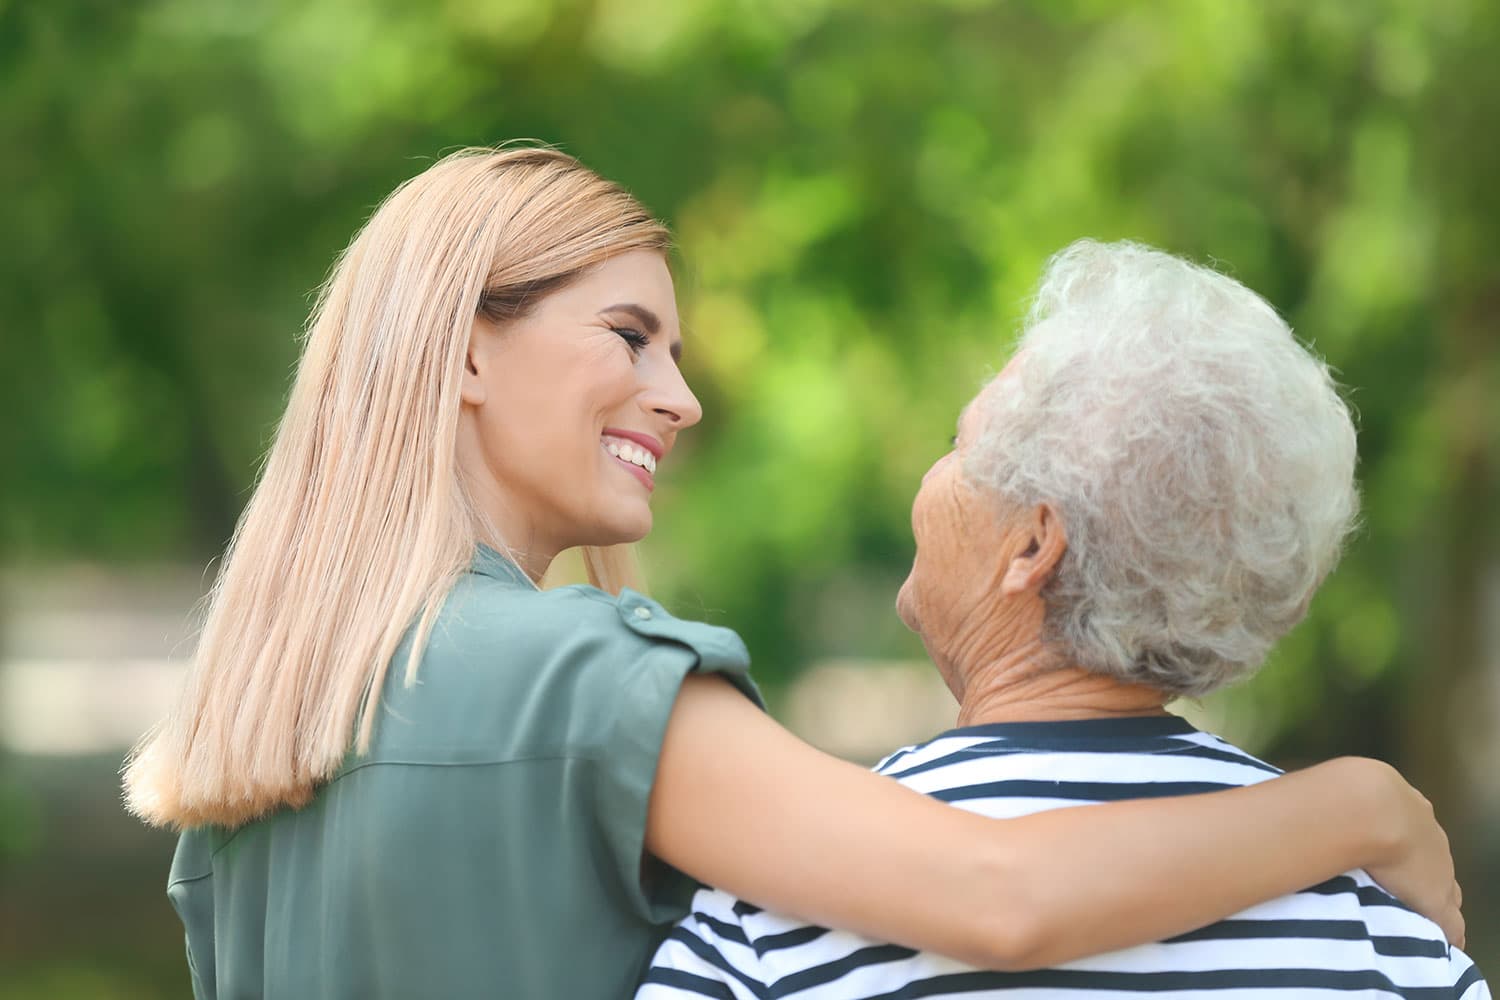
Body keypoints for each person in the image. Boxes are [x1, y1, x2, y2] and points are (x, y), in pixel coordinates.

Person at [122, 148, 1464, 1000]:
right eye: (631, 337)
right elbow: (1000, 899)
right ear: (463, 352)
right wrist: (1360, 805)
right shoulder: (588, 686)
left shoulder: (257, 733)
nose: (682, 397)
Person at [636, 240, 1488, 1000]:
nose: (934, 475)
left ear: (1033, 544)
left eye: (960, 446)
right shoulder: (1393, 936)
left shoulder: (783, 912)